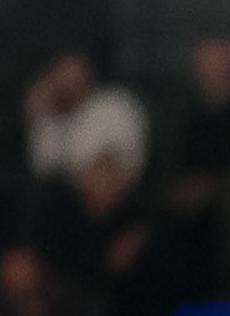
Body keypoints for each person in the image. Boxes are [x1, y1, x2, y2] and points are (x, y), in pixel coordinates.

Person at [164, 37, 230, 292]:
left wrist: (214, 188)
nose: (212, 67)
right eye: (205, 60)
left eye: (218, 58)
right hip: (185, 203)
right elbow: (170, 163)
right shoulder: (182, 114)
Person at [24, 51, 149, 202]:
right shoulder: (50, 121)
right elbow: (44, 170)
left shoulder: (114, 106)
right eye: (60, 72)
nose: (66, 80)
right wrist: (39, 116)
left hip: (122, 201)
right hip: (67, 205)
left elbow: (117, 172)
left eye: (72, 70)